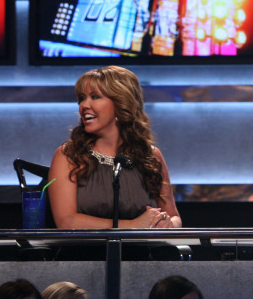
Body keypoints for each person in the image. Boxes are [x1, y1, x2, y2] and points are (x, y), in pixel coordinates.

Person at [48, 65, 181, 229]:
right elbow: (66, 221)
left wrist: (167, 224)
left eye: (95, 97)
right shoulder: (68, 156)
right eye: (82, 98)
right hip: (86, 253)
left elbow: (174, 216)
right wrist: (132, 226)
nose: (84, 105)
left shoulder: (151, 156)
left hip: (143, 252)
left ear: (120, 103)